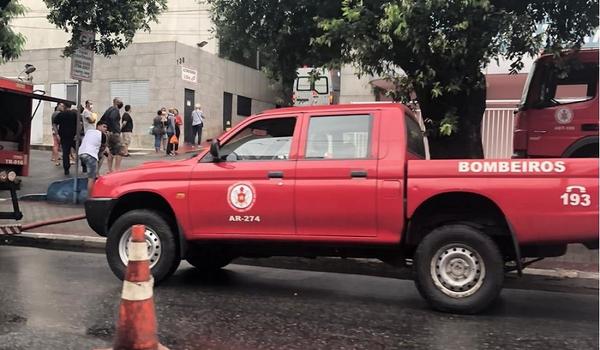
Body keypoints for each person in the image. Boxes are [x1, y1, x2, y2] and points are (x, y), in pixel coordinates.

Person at [78, 121, 108, 194]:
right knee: (91, 179)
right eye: (104, 127)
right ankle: (90, 197)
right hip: (91, 155)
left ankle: (96, 172)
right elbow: (103, 148)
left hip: (81, 153)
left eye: (106, 128)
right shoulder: (102, 135)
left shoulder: (89, 132)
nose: (105, 129)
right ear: (98, 126)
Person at [99, 97, 124, 173]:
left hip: (109, 133)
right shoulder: (115, 110)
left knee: (110, 151)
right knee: (119, 151)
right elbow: (112, 118)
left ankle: (110, 170)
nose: (121, 103)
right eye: (120, 102)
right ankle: (117, 169)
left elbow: (102, 119)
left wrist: (107, 129)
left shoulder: (108, 109)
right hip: (114, 133)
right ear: (116, 102)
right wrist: (115, 129)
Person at [54, 103, 78, 175]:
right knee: (80, 150)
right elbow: (79, 124)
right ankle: (84, 166)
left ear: (64, 106)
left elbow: (54, 124)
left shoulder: (60, 114)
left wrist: (57, 133)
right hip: (74, 136)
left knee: (65, 153)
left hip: (64, 137)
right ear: (70, 106)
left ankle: (66, 169)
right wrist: (77, 134)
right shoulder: (74, 114)